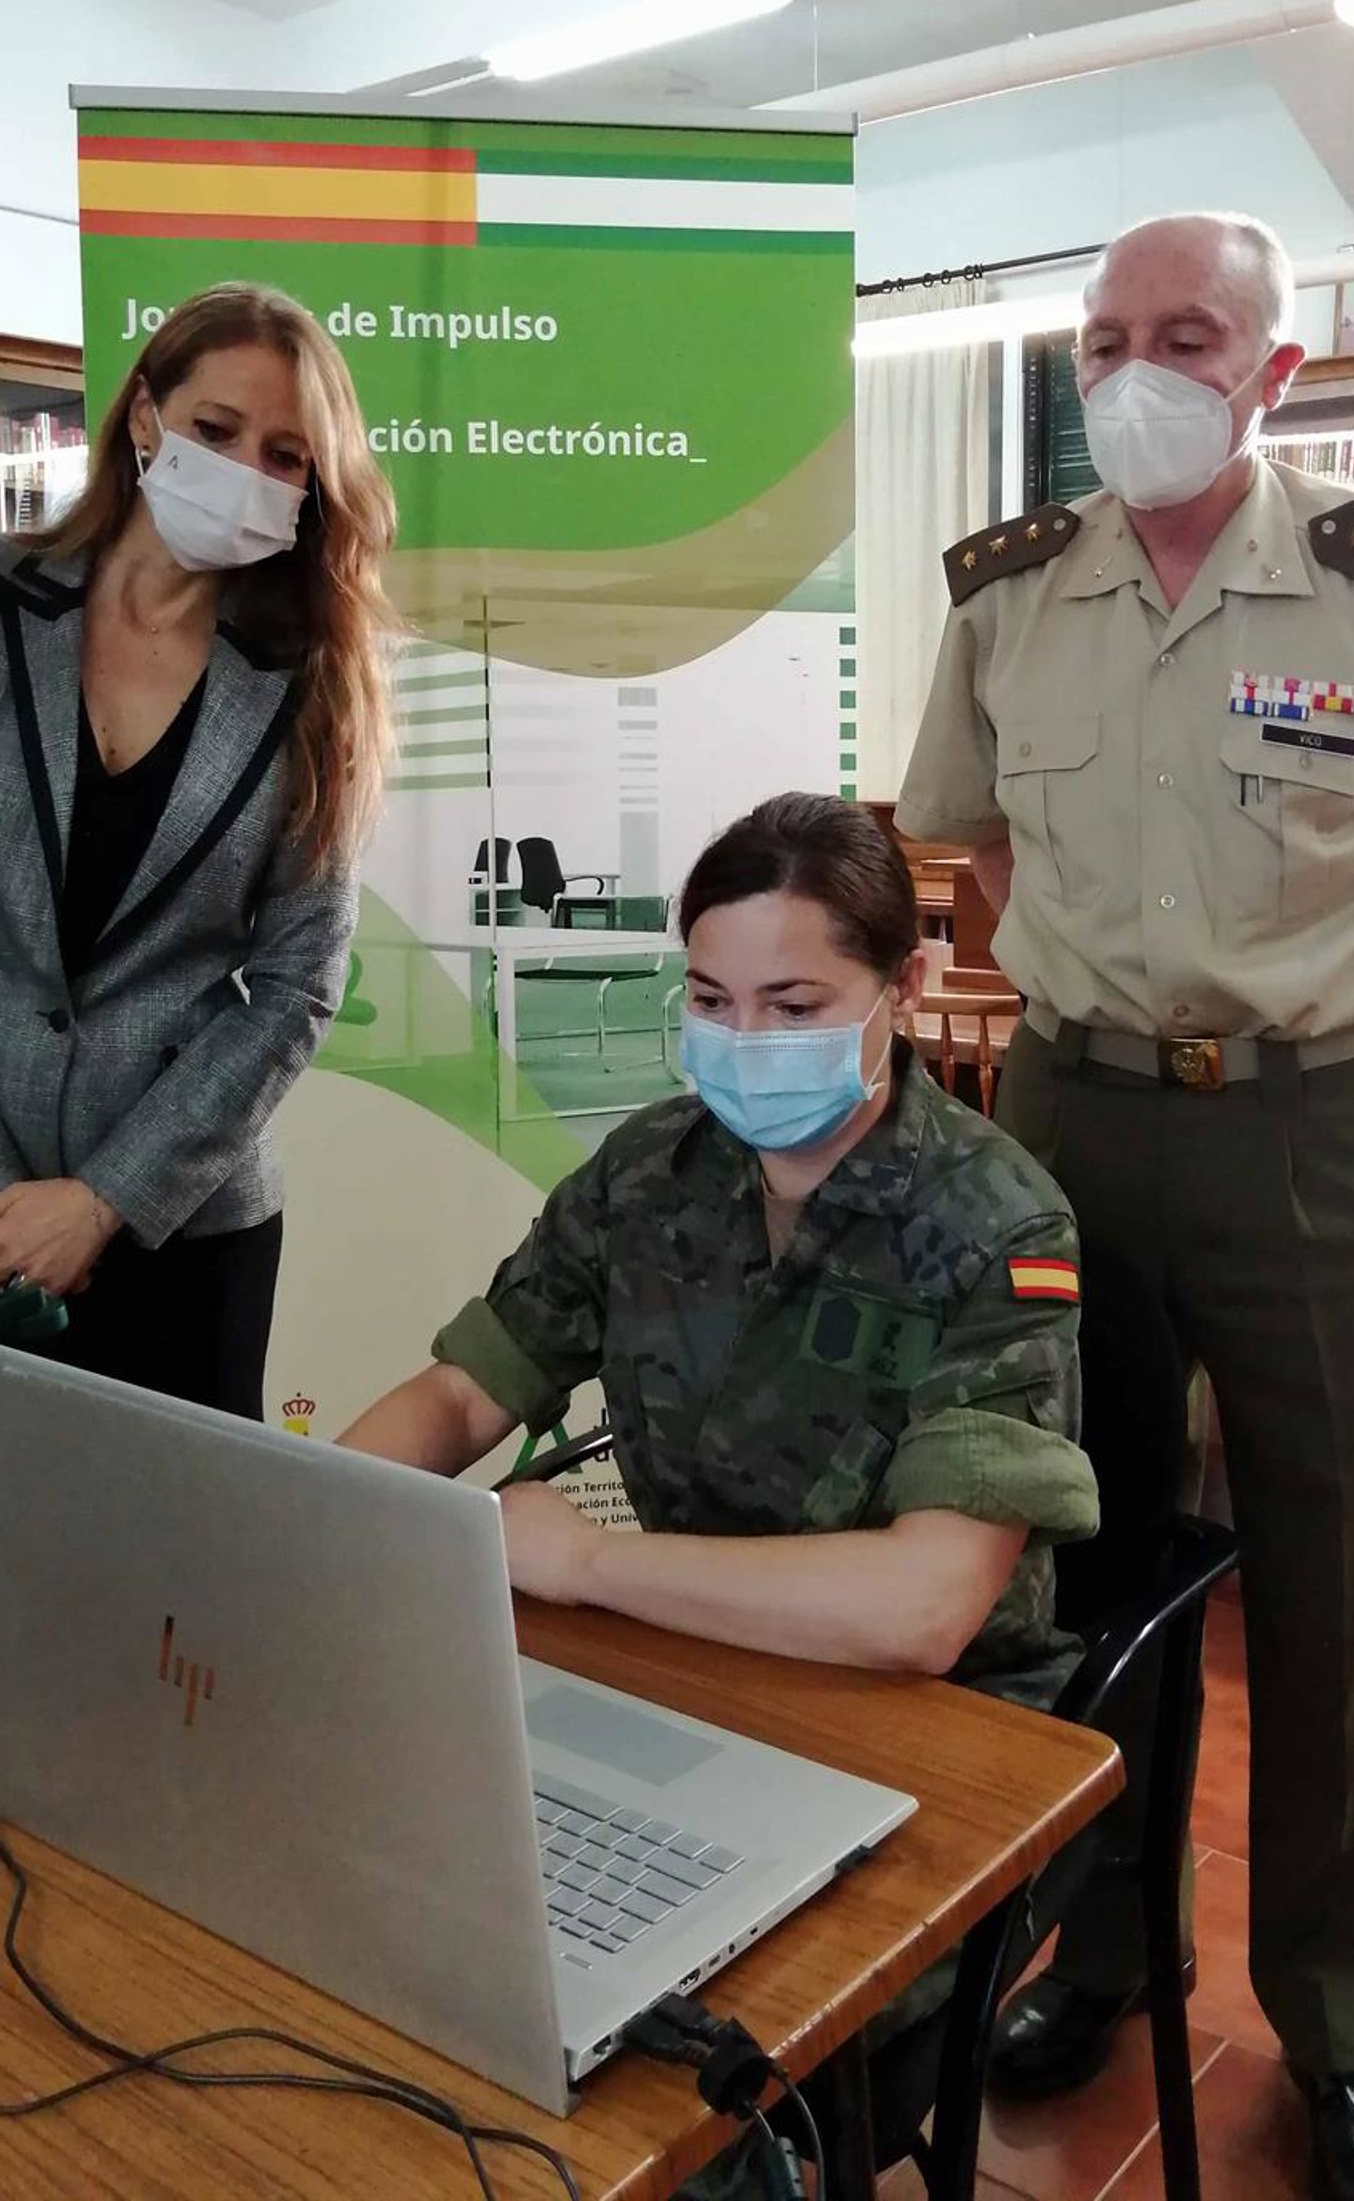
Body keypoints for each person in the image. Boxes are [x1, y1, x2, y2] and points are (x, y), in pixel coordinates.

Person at [896, 211, 1354, 2201]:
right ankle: (1103, 1949)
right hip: (1073, 1121)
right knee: (1079, 1548)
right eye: (1107, 336)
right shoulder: (1012, 592)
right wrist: (1095, 987)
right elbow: (970, 841)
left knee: (1343, 1580)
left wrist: (1352, 995)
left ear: (1272, 368)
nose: (1138, 370)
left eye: (1185, 334)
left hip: (1322, 1128)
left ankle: (1346, 2030)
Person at [338, 792, 1100, 2198]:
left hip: (935, 1744)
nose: (744, 1042)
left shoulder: (995, 1221)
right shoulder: (651, 1173)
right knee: (417, 1930)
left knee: (675, 2095)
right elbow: (461, 1394)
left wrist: (586, 1566)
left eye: (793, 1005)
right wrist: (312, 1522)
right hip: (688, 1676)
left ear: (904, 988)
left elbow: (927, 1606)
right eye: (709, 1000)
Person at [0, 282, 397, 1544]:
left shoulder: (311, 677)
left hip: (175, 1223)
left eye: (287, 456)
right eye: (216, 428)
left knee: (175, 1605)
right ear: (145, 416)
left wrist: (101, 1198)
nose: (246, 471)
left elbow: (300, 981)